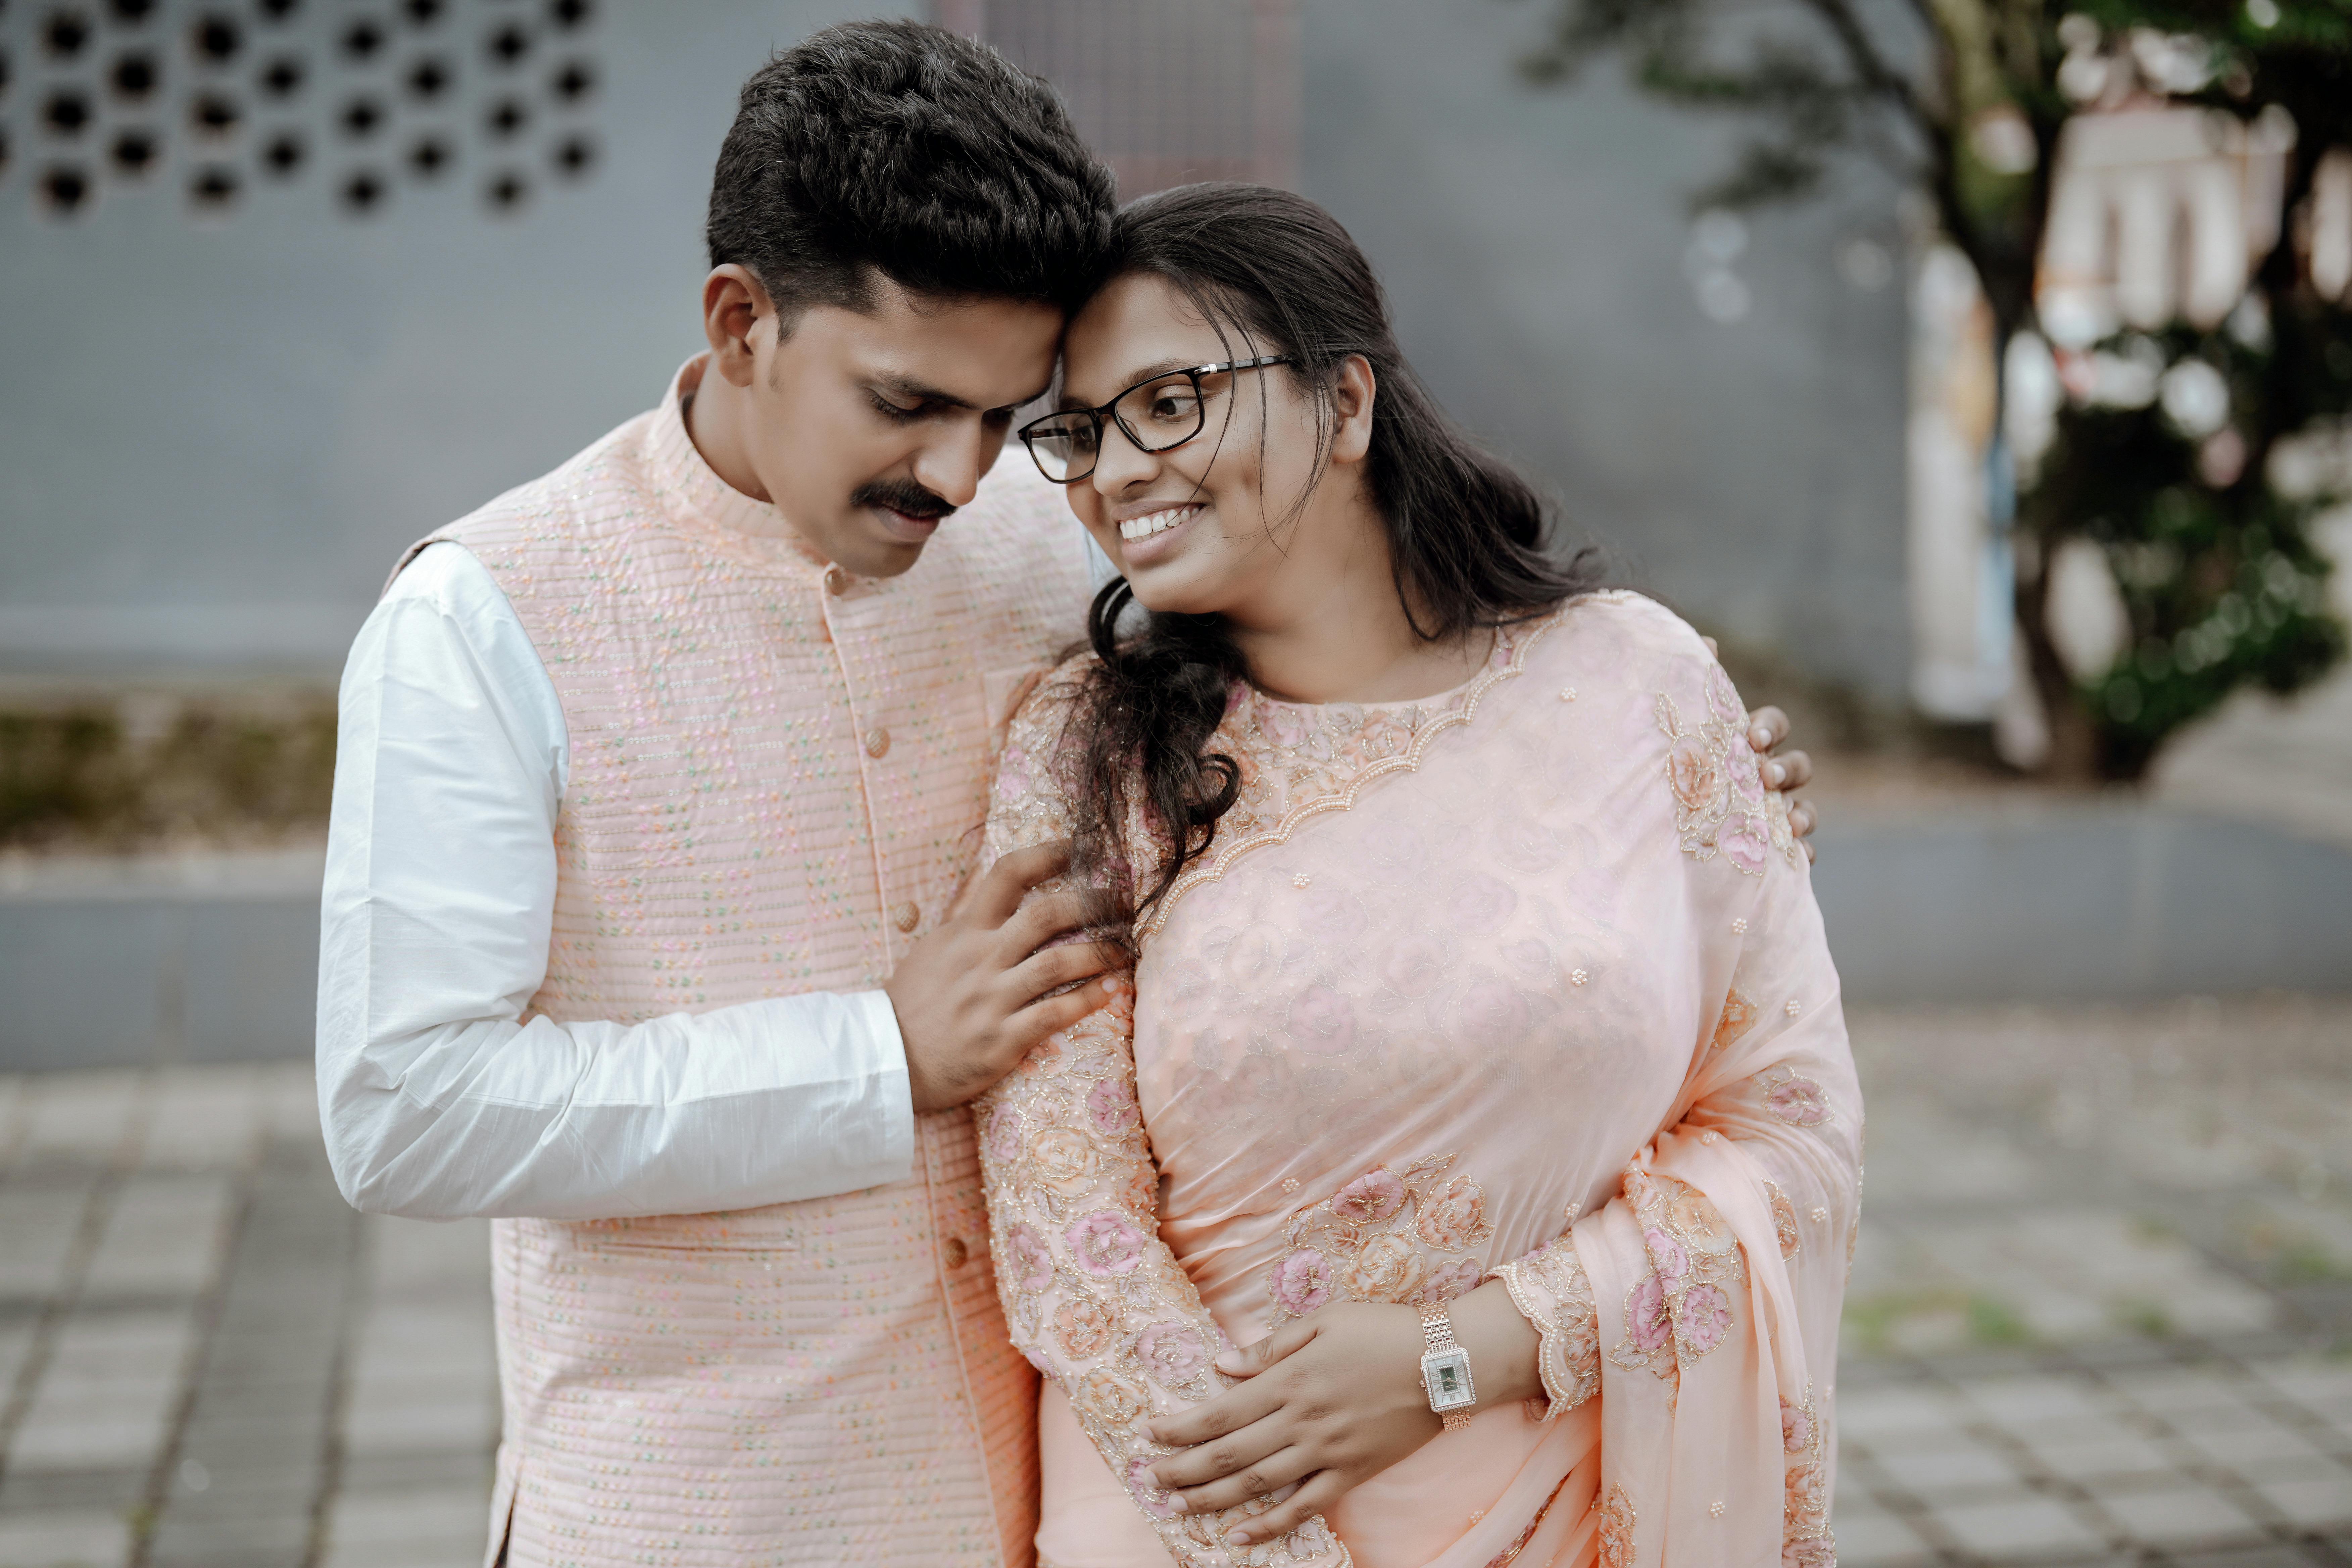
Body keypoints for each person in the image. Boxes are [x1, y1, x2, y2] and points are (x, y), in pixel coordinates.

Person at [316, 23, 1818, 1568]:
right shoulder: (487, 619)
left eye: (1004, 412)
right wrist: (870, 1057)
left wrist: (1664, 788)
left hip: (1061, 1507)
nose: (966, 477)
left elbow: (1376, 704)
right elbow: (400, 1108)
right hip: (706, 1506)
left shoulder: (1058, 517)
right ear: (742, 319)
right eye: (908, 402)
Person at [976, 183, 1858, 1568]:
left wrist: (1460, 1356)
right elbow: (1062, 1221)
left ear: (1346, 406)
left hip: (1585, 1491)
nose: (1116, 469)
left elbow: (1788, 1137)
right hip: (1198, 1512)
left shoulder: (1637, 685)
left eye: (1170, 401)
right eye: (1082, 431)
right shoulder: (1087, 756)